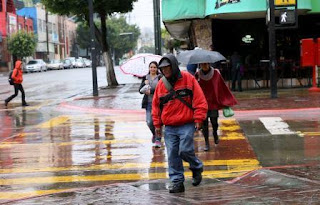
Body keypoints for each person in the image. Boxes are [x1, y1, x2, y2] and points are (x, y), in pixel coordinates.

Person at [152, 54, 208, 193]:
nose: (165, 71)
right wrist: (157, 125)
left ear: (174, 66)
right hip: (170, 126)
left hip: (186, 123)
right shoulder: (161, 84)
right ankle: (177, 181)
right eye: (162, 68)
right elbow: (156, 106)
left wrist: (199, 119)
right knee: (172, 154)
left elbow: (200, 100)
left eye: (167, 67)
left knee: (184, 150)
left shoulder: (188, 79)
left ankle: (196, 167)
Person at [196, 63, 237, 151]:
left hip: (213, 103)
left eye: (206, 63)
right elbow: (194, 88)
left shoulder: (216, 73)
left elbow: (222, 86)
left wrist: (225, 100)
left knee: (214, 122)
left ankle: (215, 133)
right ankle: (206, 142)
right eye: (202, 64)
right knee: (204, 124)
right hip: (202, 104)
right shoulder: (198, 74)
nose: (204, 65)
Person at [139, 61, 162, 148]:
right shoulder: (145, 78)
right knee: (149, 122)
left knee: (158, 122)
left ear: (157, 68)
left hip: (158, 103)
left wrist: (151, 91)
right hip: (148, 103)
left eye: (154, 67)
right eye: (151, 67)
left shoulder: (160, 77)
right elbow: (140, 91)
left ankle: (158, 139)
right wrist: (144, 85)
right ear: (149, 68)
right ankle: (155, 134)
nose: (152, 69)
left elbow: (162, 89)